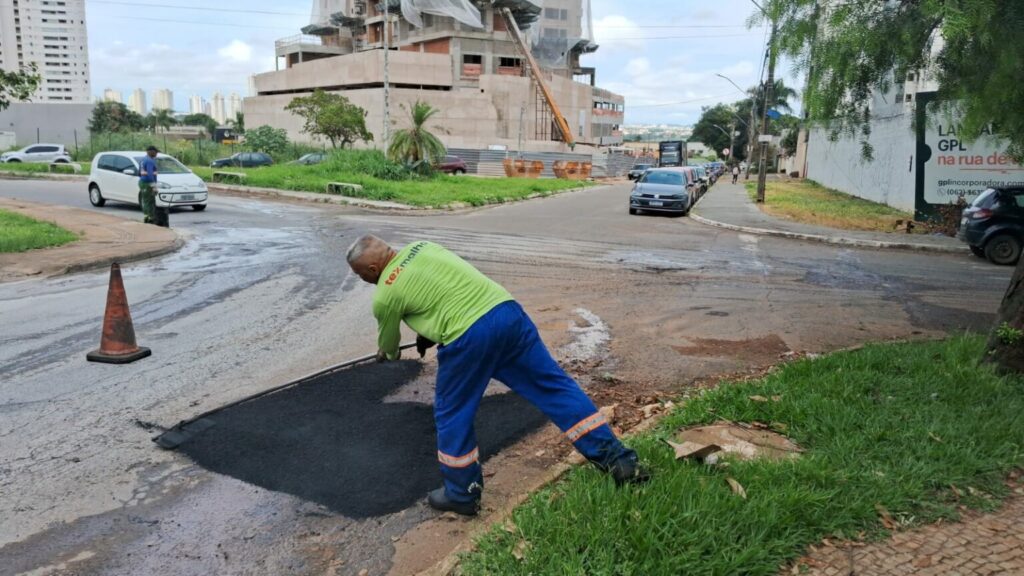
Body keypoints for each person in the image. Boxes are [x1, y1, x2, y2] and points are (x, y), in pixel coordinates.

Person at [346, 235, 646, 516]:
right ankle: (619, 462)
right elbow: (443, 290)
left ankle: (463, 494)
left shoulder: (385, 294)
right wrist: (428, 330)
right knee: (554, 388)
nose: (366, 281)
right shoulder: (422, 246)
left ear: (373, 268)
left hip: (468, 338)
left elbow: (390, 347)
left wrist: (387, 353)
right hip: (506, 312)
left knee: (453, 413)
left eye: (362, 276)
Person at [139, 146, 159, 224]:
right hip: (147, 183)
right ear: (150, 152)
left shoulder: (143, 160)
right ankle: (149, 218)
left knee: (148, 200)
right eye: (155, 152)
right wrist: (154, 186)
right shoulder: (150, 161)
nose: (156, 153)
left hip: (143, 182)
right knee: (149, 201)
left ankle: (148, 216)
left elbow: (139, 173)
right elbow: (150, 175)